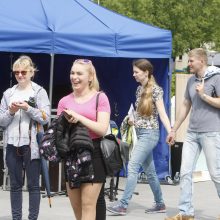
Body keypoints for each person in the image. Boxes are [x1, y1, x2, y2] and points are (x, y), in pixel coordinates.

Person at [107, 58, 172, 215]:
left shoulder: (156, 90)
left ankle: (123, 204)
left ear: (146, 72)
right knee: (150, 173)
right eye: (134, 71)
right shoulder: (138, 90)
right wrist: (132, 119)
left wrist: (171, 131)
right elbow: (140, 114)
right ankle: (160, 203)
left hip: (150, 134)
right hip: (140, 133)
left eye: (136, 72)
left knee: (133, 165)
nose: (133, 74)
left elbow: (162, 113)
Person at [165, 48, 220, 220]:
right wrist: (174, 129)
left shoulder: (216, 78)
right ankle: (186, 212)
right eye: (188, 60)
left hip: (211, 132)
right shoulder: (190, 81)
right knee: (185, 172)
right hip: (192, 133)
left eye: (191, 61)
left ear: (201, 61)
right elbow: (185, 105)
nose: (188, 63)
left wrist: (203, 95)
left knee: (216, 173)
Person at [57, 58, 110, 220]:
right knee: (78, 210)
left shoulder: (100, 98)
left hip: (94, 153)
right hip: (71, 156)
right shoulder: (64, 101)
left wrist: (79, 117)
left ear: (90, 77)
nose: (74, 77)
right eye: (72, 73)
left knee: (88, 206)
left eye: (79, 73)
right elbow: (59, 135)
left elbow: (102, 129)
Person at [0, 55, 51, 220]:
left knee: (33, 185)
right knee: (15, 185)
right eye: (16, 72)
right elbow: (1, 121)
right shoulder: (9, 93)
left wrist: (28, 108)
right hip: (12, 144)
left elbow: (45, 118)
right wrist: (11, 112)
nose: (20, 75)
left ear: (31, 72)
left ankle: (32, 218)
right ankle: (16, 218)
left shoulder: (39, 91)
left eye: (23, 71)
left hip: (32, 145)